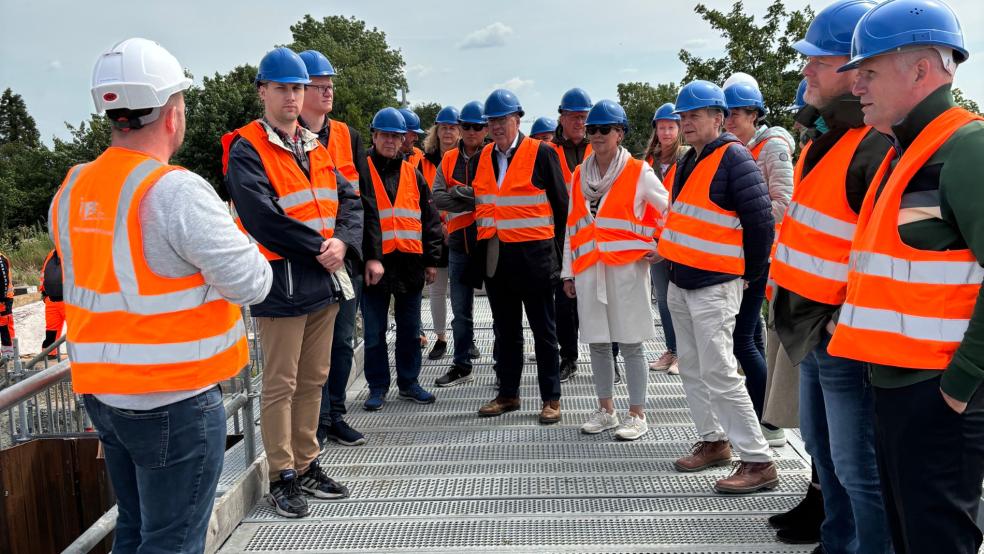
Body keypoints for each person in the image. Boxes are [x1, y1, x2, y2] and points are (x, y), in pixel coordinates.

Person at [50, 38, 272, 552]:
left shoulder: (73, 186)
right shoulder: (176, 191)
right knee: (171, 541)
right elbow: (254, 282)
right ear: (173, 115)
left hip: (104, 395)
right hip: (174, 401)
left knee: (133, 529)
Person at [827, 1, 984, 552]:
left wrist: (961, 384)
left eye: (868, 72)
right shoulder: (904, 153)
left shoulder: (967, 149)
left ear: (920, 70)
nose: (857, 86)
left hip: (938, 393)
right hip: (896, 388)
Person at [770, 1, 894, 551]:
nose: (805, 71)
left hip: (841, 331)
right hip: (814, 326)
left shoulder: (871, 144)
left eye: (816, 61)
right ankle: (836, 541)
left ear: (852, 66)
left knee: (858, 465)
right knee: (825, 452)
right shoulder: (827, 139)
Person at [224, 47, 358, 518]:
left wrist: (342, 242)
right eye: (282, 87)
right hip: (281, 281)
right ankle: (282, 474)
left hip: (322, 277)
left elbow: (349, 201)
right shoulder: (247, 148)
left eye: (297, 88)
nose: (291, 96)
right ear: (263, 91)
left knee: (313, 378)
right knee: (280, 383)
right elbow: (262, 216)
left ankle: (306, 463)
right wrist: (322, 247)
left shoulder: (315, 144)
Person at [657, 80, 778, 494]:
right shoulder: (693, 158)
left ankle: (758, 460)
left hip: (715, 284)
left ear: (718, 117)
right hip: (683, 281)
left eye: (695, 115)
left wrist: (751, 275)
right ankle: (713, 441)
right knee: (692, 368)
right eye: (683, 116)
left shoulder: (734, 158)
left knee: (721, 372)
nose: (687, 123)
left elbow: (762, 223)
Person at [561, 100, 669, 440]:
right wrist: (567, 271)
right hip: (589, 269)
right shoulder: (580, 174)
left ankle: (637, 413)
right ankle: (605, 409)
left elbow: (669, 211)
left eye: (604, 129)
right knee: (597, 342)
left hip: (627, 270)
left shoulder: (639, 171)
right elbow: (572, 225)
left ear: (619, 133)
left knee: (632, 341)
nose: (596, 135)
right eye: (591, 129)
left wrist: (660, 246)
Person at [472, 88, 568, 424]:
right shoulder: (482, 157)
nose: (497, 126)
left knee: (544, 331)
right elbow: (482, 209)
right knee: (506, 330)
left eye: (503, 119)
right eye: (492, 120)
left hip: (536, 258)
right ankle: (508, 394)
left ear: (517, 119)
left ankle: (551, 398)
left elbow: (562, 209)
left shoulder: (541, 154)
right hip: (498, 259)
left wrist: (560, 260)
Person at [297, 49, 376, 448]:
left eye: (330, 83)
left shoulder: (348, 136)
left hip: (345, 258)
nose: (328, 89)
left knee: (342, 340)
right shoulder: (284, 137)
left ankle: (335, 416)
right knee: (309, 350)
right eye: (318, 84)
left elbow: (365, 199)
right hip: (304, 261)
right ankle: (314, 423)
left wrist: (368, 252)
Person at [723, 80, 795, 449]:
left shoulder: (774, 148)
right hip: (747, 255)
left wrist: (743, 225)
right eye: (726, 114)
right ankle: (763, 416)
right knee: (749, 337)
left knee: (742, 340)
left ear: (754, 113)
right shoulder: (745, 148)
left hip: (762, 256)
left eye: (735, 113)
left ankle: (769, 421)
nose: (728, 120)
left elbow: (784, 201)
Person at [361, 107, 443, 411]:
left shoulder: (413, 174)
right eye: (385, 135)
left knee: (409, 331)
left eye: (396, 136)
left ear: (403, 139)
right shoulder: (361, 171)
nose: (391, 141)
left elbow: (430, 220)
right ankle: (378, 387)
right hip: (375, 265)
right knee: (373, 332)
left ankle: (409, 383)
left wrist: (431, 260)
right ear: (375, 136)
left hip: (409, 263)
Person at [431, 100, 488, 386]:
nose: (471, 131)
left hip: (490, 242)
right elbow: (438, 197)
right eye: (466, 126)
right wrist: (474, 197)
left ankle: (504, 365)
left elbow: (492, 195)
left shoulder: (494, 156)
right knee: (460, 311)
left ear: (486, 128)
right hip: (459, 243)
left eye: (477, 126)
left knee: (503, 308)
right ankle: (462, 365)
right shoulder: (449, 159)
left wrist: (461, 191)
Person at [642, 103, 689, 375]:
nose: (667, 132)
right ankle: (672, 349)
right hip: (654, 241)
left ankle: (684, 354)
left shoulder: (687, 158)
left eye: (671, 127)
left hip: (679, 241)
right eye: (662, 127)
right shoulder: (649, 161)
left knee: (681, 299)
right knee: (664, 299)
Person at [551, 88, 593, 383]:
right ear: (562, 118)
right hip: (556, 235)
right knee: (563, 302)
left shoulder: (601, 146)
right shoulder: (547, 151)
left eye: (583, 117)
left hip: (594, 232)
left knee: (601, 297)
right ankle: (568, 357)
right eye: (574, 116)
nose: (579, 122)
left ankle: (610, 357)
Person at [419, 105, 460, 361]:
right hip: (434, 233)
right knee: (436, 289)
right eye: (443, 127)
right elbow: (422, 199)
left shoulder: (463, 159)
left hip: (459, 232)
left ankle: (467, 338)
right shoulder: (423, 160)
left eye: (452, 127)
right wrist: (438, 227)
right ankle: (441, 338)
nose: (448, 132)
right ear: (436, 131)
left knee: (460, 290)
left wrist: (451, 224)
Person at [39, 249, 65, 353]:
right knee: (51, 331)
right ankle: (49, 355)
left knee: (79, 332)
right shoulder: (50, 254)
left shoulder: (76, 250)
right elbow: (43, 274)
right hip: (51, 301)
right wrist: (44, 294)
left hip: (71, 301)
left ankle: (85, 358)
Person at [0, 250, 13, 359]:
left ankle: (9, 353)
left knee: (5, 327)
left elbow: (4, 281)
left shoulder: (1, 259)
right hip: (3, 298)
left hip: (4, 299)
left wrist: (2, 298)